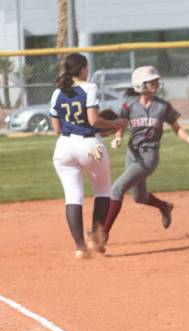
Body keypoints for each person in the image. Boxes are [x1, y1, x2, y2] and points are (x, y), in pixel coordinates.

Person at [91, 66, 189, 252]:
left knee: (116, 189)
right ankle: (164, 207)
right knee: (139, 197)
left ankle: (103, 235)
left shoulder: (163, 106)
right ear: (140, 85)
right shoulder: (129, 104)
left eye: (156, 81)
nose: (156, 83)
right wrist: (118, 137)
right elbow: (121, 122)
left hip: (148, 157)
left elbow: (176, 127)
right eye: (152, 81)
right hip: (131, 154)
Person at [48, 53, 125, 259]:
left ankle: (80, 247)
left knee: (73, 197)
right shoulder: (89, 87)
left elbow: (56, 128)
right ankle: (95, 238)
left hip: (63, 147)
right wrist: (115, 124)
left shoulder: (57, 92)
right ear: (81, 68)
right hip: (89, 144)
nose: (87, 70)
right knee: (102, 190)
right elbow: (93, 120)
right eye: (86, 67)